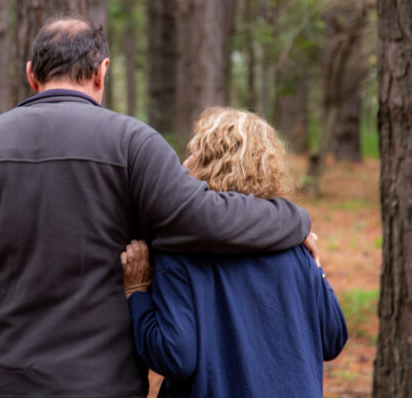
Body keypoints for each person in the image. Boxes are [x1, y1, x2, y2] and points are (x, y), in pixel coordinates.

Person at [0, 14, 316, 398]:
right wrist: (293, 218)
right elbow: (208, 220)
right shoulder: (134, 145)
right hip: (103, 387)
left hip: (0, 386)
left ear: (31, 76)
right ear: (102, 72)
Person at [121, 107, 348, 397]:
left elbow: (174, 356)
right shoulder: (296, 246)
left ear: (208, 166)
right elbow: (333, 337)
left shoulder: (182, 249)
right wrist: (317, 270)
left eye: (194, 154)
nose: (184, 162)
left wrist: (137, 292)